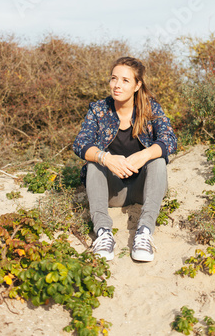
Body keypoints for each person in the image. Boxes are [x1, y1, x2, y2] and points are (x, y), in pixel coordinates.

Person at [73, 56, 177, 262]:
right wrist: (106, 158)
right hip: (112, 192)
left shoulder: (150, 108)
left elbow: (170, 140)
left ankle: (144, 232)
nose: (117, 85)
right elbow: (80, 143)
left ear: (138, 85)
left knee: (157, 160)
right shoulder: (99, 109)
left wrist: (144, 154)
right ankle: (103, 232)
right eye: (114, 79)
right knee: (94, 163)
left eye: (125, 80)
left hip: (143, 188)